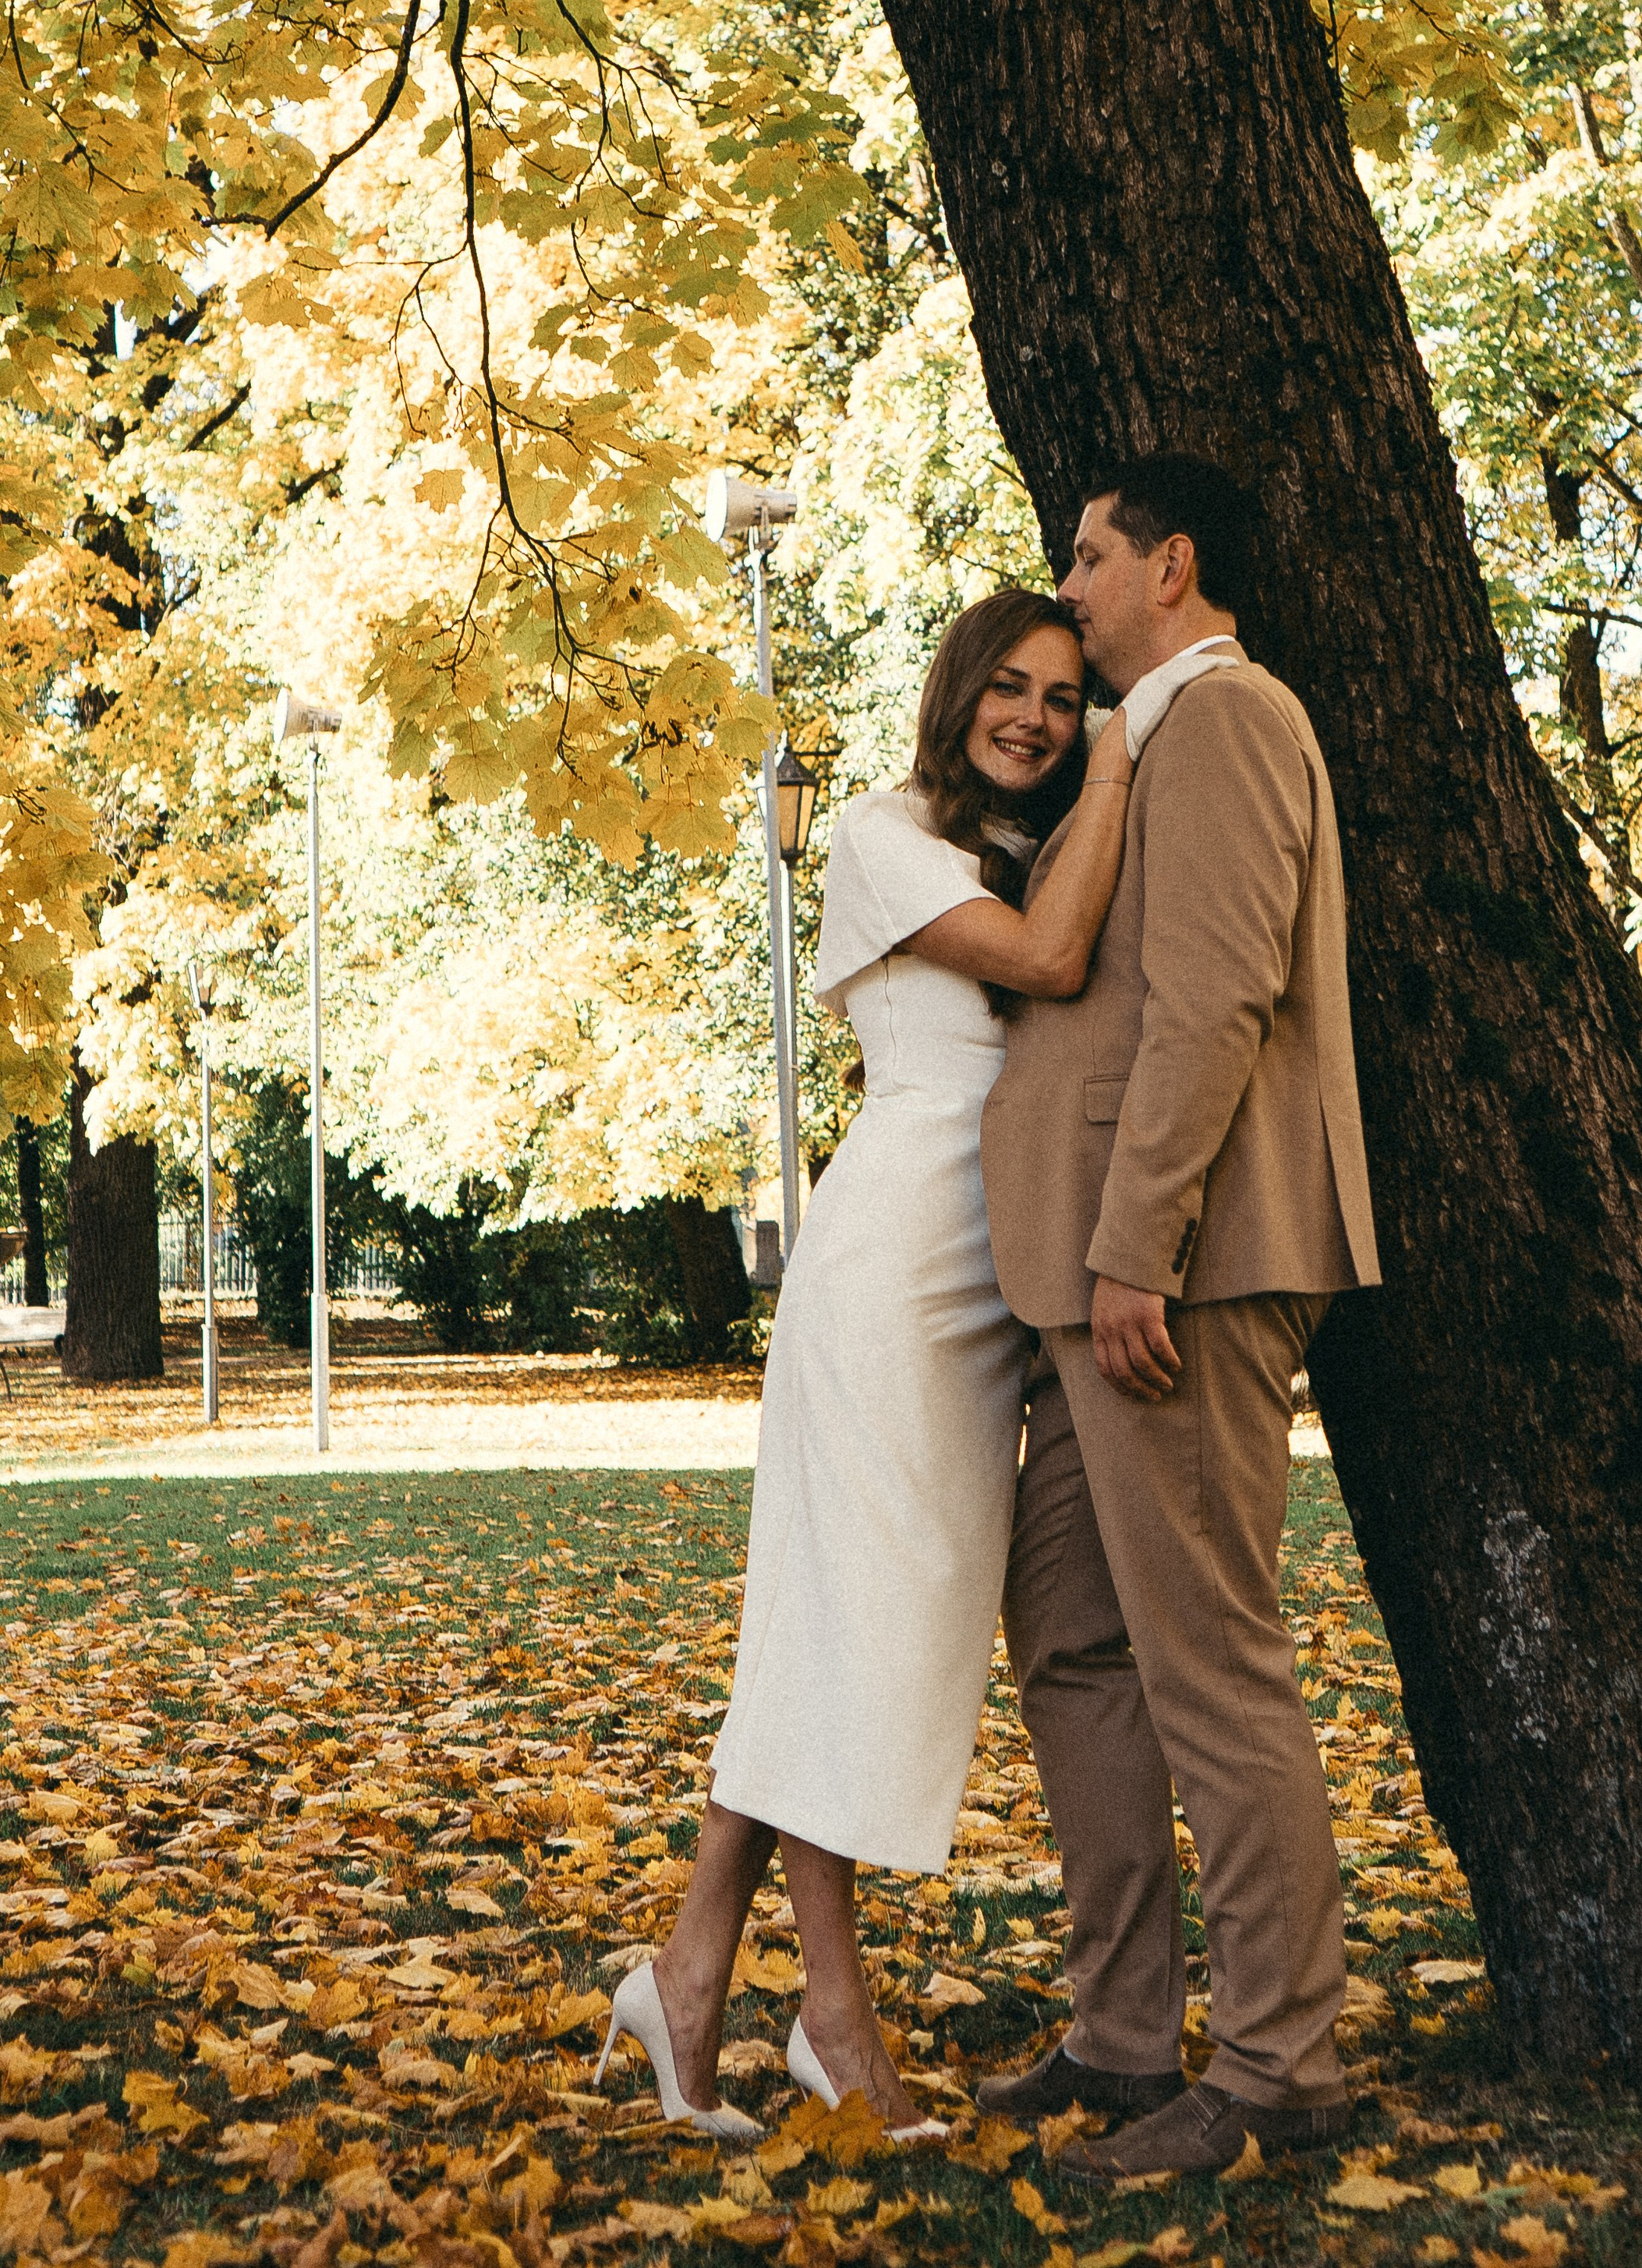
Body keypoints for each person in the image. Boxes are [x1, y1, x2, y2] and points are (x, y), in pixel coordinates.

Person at [596, 588, 1157, 2139]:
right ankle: (819, 2022)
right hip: (894, 1265)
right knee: (841, 1623)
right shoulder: (873, 830)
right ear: (960, 683)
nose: (1038, 716)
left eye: (1065, 696)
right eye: (1018, 687)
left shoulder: (1033, 841)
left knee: (857, 1633)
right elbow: (1046, 966)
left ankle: (695, 1974)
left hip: (997, 1279)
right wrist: (1126, 743)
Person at [976, 453, 1381, 2179]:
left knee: (1211, 1668)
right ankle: (1125, 2035)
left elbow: (1217, 993)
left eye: (1087, 559)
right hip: (1090, 1281)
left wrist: (1135, 1241)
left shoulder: (1225, 717)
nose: (1065, 589)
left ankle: (1283, 2069)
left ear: (1171, 564)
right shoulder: (1146, 737)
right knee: (1070, 1642)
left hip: (1178, 1272)